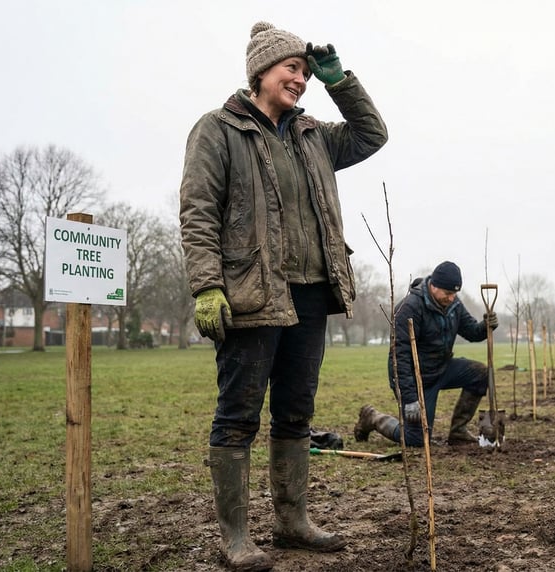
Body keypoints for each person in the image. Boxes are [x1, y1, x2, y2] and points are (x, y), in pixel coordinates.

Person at [179, 21, 387, 570]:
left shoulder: (314, 135)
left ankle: (292, 522)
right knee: (239, 414)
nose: (301, 79)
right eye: (291, 69)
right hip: (250, 294)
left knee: (296, 412)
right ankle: (236, 538)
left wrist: (340, 81)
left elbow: (372, 135)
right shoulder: (218, 130)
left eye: (304, 71)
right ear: (260, 72)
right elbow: (198, 214)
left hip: (313, 293)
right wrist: (206, 284)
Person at [354, 261, 499, 447]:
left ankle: (458, 432)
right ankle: (372, 418)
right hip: (415, 379)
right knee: (416, 439)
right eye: (448, 293)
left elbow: (472, 332)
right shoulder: (409, 308)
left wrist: (486, 326)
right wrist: (410, 399)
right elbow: (400, 358)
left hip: (442, 368)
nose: (451, 297)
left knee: (481, 374)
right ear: (434, 286)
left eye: (455, 293)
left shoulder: (453, 305)